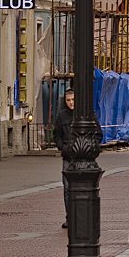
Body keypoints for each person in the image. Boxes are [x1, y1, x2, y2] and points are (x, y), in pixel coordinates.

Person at [52, 88, 75, 229]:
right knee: (67, 188)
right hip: (67, 156)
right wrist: (63, 147)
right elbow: (57, 135)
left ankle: (80, 216)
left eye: (73, 100)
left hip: (83, 157)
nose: (71, 103)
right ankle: (70, 217)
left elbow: (97, 134)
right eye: (68, 100)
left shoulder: (86, 114)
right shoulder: (62, 116)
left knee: (84, 188)